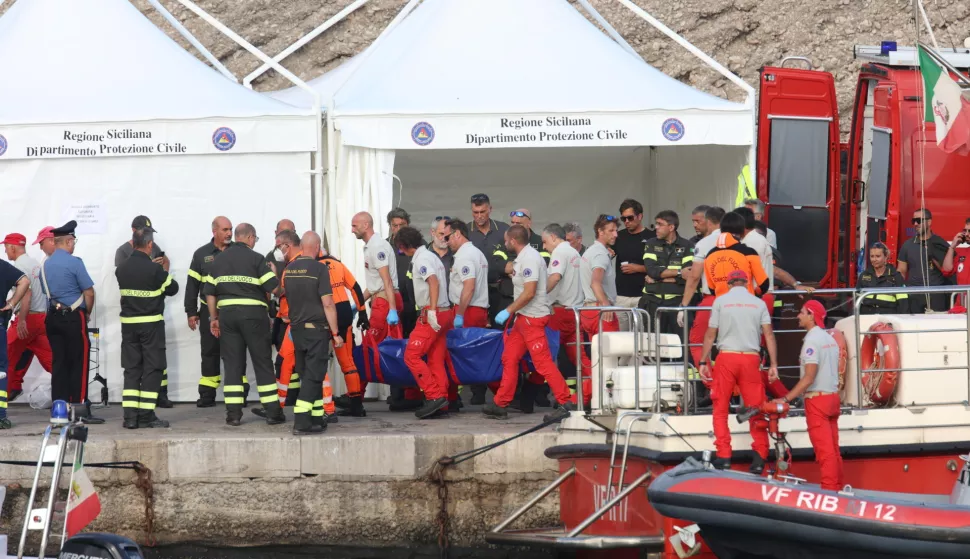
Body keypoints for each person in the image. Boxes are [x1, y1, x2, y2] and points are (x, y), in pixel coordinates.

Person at [484, 225, 574, 422]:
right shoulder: (523, 258)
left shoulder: (530, 259)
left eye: (506, 240)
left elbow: (530, 292)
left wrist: (508, 310)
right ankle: (501, 403)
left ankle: (565, 402)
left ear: (513, 241)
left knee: (542, 364)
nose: (505, 243)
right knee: (509, 358)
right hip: (523, 319)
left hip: (532, 319)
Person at [698, 270, 779, 472]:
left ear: (728, 283)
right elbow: (768, 335)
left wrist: (702, 361)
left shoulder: (720, 302)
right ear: (747, 283)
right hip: (751, 359)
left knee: (720, 408)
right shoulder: (759, 303)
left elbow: (710, 334)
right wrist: (774, 364)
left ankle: (724, 456)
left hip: (727, 357)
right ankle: (760, 457)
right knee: (756, 407)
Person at [204, 223, 284, 426]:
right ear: (250, 238)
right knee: (262, 363)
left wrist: (214, 318)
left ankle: (233, 414)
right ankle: (273, 412)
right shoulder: (257, 259)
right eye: (255, 239)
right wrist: (274, 273)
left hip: (228, 317)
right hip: (254, 316)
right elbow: (274, 289)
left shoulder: (217, 260)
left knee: (232, 365)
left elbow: (210, 293)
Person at [772, 300, 843, 491]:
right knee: (834, 450)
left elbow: (809, 377)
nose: (798, 316)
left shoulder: (812, 341)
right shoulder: (830, 338)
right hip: (833, 398)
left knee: (824, 452)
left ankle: (829, 492)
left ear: (811, 315)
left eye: (802, 312)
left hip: (817, 401)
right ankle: (837, 489)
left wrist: (786, 398)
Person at [40, 221, 103, 423]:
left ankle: (59, 408)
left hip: (52, 318)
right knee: (79, 363)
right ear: (68, 241)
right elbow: (89, 292)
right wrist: (88, 312)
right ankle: (79, 409)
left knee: (59, 363)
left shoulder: (45, 265)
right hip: (73, 318)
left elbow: (46, 292)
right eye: (73, 241)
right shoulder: (75, 262)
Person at [281, 231, 343, 435]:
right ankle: (301, 420)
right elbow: (328, 303)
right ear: (317, 248)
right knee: (314, 376)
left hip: (297, 330)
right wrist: (335, 333)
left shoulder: (289, 270)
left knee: (306, 373)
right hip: (316, 330)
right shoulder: (319, 268)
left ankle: (316, 417)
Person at [115, 229, 179, 429]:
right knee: (153, 368)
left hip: (129, 327)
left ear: (133, 243)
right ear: (150, 245)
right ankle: (146, 415)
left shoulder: (121, 269)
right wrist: (161, 274)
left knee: (132, 369)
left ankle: (130, 417)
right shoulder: (154, 270)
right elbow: (173, 288)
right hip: (151, 326)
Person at [346, 212, 402, 412]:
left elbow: (386, 281)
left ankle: (355, 396)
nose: (352, 230)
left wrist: (392, 309)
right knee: (388, 350)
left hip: (385, 304)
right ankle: (401, 395)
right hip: (382, 301)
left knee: (369, 349)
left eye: (354, 226)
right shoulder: (372, 246)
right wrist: (359, 304)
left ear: (366, 224)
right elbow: (375, 284)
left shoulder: (377, 247)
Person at [398, 227, 454, 419]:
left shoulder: (421, 260)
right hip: (445, 312)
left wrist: (431, 310)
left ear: (405, 247)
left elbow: (433, 282)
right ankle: (443, 401)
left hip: (433, 313)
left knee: (411, 356)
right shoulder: (432, 256)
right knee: (436, 359)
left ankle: (433, 396)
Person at [186, 216, 237, 407]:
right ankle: (207, 395)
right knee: (209, 352)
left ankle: (239, 393)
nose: (229, 233)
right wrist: (191, 312)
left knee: (235, 351)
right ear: (214, 231)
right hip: (208, 311)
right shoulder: (201, 254)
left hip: (233, 310)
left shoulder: (238, 252)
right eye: (225, 229)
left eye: (231, 229)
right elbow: (192, 285)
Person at [318, 248, 368, 418]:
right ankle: (356, 404)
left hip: (326, 313)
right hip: (345, 312)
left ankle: (321, 403)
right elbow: (355, 287)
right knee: (347, 362)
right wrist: (362, 312)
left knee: (315, 358)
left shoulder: (313, 267)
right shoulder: (338, 265)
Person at [3, 233, 52, 403]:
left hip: (27, 319)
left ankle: (5, 395)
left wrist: (21, 319)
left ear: (12, 247)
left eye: (6, 247)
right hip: (41, 318)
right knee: (52, 361)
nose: (5, 251)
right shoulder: (34, 264)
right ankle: (70, 393)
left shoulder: (20, 265)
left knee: (5, 357)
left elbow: (27, 293)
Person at [543, 224, 585, 403]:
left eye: (545, 242)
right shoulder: (574, 253)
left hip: (559, 312)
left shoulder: (560, 252)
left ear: (553, 237)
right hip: (574, 311)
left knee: (545, 356)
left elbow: (554, 277)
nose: (544, 247)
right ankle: (591, 391)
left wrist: (538, 295)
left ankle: (557, 397)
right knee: (580, 358)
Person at [578, 215, 621, 389]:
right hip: (599, 310)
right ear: (600, 232)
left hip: (589, 310)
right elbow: (595, 281)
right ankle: (590, 398)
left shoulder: (590, 251)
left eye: (616, 230)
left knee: (598, 360)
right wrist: (605, 304)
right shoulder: (600, 254)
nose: (616, 234)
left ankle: (590, 397)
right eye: (611, 230)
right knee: (609, 360)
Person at [678, 206, 725, 365]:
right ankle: (730, 387)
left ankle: (711, 384)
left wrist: (683, 306)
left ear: (709, 221)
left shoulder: (705, 243)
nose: (695, 225)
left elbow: (694, 277)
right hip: (739, 299)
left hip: (712, 299)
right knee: (730, 346)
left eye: (698, 221)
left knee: (697, 341)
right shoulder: (739, 241)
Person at [641, 210, 694, 335]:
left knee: (680, 347)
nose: (656, 228)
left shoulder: (688, 245)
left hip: (677, 302)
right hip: (652, 302)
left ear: (671, 227)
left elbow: (689, 275)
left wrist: (660, 277)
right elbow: (652, 271)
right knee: (653, 348)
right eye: (656, 224)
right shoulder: (651, 244)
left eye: (660, 224)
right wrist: (680, 272)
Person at [897, 208, 950, 313]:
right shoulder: (907, 245)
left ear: (929, 222)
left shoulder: (940, 243)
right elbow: (901, 271)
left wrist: (932, 254)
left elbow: (947, 270)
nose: (916, 224)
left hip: (936, 295)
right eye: (914, 221)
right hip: (914, 295)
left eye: (919, 220)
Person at [706, 213, 770, 299]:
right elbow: (763, 283)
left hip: (722, 306)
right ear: (743, 230)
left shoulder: (709, 255)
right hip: (745, 304)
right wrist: (755, 294)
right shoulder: (748, 252)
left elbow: (712, 288)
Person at [614, 199, 654, 331]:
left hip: (643, 295)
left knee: (642, 338)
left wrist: (638, 268)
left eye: (630, 218)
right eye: (623, 218)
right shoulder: (618, 236)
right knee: (621, 339)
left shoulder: (652, 237)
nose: (626, 222)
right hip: (621, 296)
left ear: (640, 216)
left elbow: (661, 266)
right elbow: (606, 252)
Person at [0, 255, 29, 429]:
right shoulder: (2, 266)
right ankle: (0, 416)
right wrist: (11, 303)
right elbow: (24, 281)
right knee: (1, 370)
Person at [446, 219, 489, 329]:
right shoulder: (478, 253)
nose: (446, 242)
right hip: (478, 310)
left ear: (457, 234)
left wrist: (459, 314)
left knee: (462, 345)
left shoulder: (463, 256)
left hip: (467, 311)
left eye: (447, 237)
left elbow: (469, 287)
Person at [387, 207, 417, 337]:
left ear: (408, 225)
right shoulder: (385, 246)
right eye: (395, 225)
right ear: (390, 226)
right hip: (392, 301)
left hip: (414, 302)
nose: (399, 229)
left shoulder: (418, 244)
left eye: (402, 225)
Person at [857, 242, 909, 314]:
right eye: (872, 256)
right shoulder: (863, 276)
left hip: (888, 319)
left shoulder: (896, 277)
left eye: (878, 256)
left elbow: (903, 305)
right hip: (866, 317)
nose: (874, 259)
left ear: (885, 257)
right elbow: (856, 301)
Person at [942, 218, 970, 306]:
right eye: (965, 231)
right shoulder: (963, 253)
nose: (967, 234)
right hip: (961, 307)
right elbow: (947, 270)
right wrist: (952, 247)